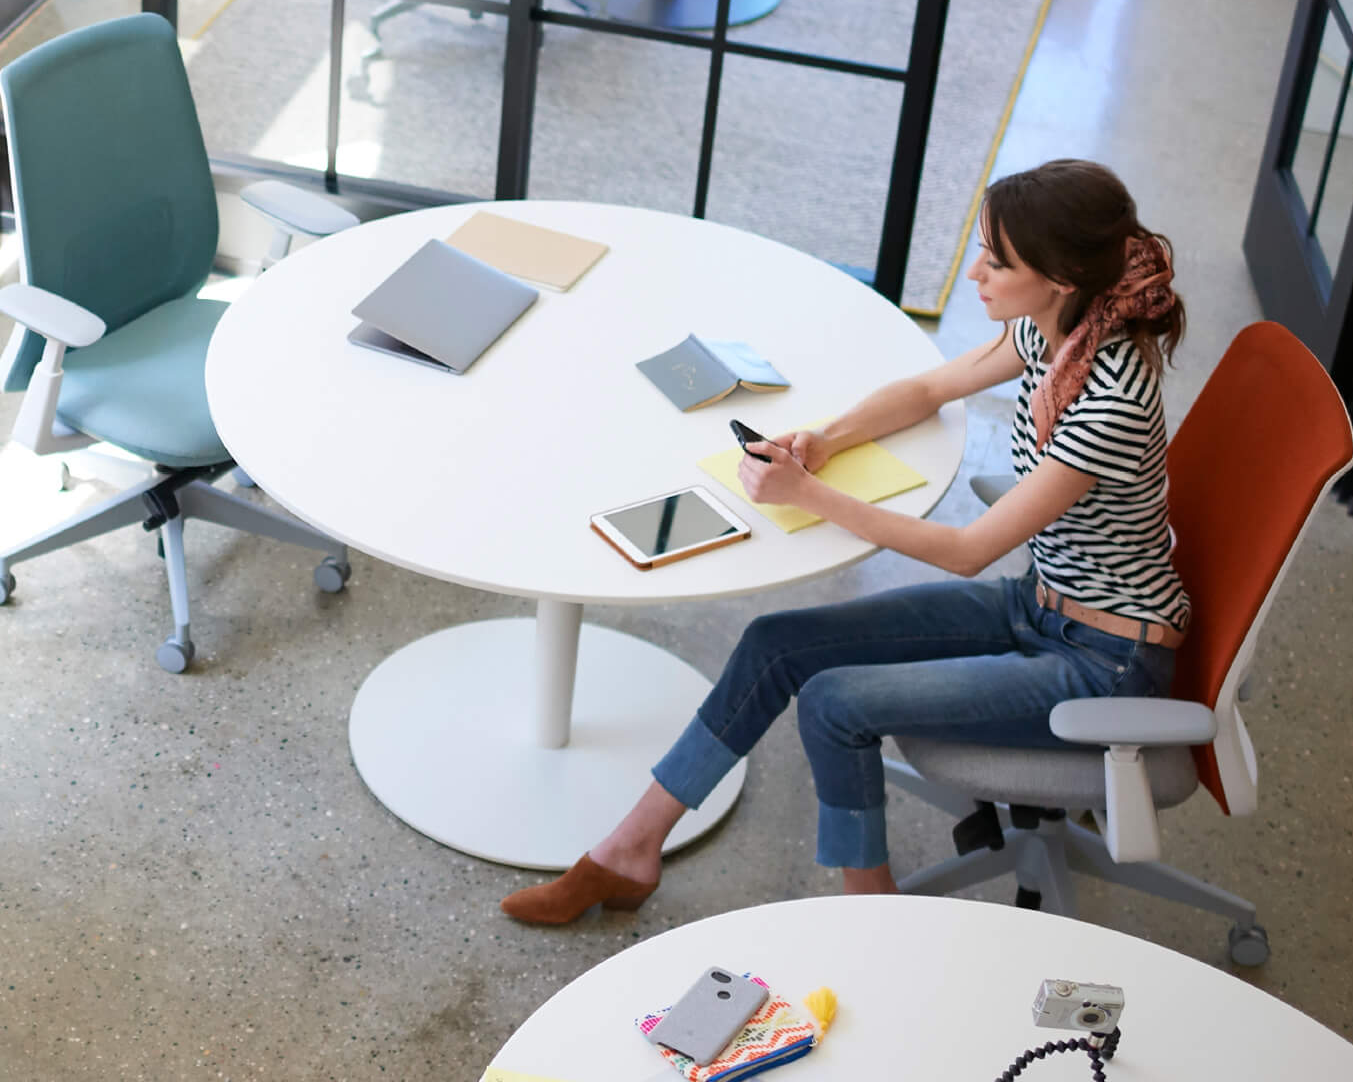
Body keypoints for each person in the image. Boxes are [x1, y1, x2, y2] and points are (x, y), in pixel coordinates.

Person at [501, 158, 1192, 924]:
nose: (974, 275)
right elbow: (930, 389)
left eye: (998, 262)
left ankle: (873, 922)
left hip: (1104, 660)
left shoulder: (1111, 403)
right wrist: (826, 440)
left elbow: (968, 551)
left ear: (1063, 276)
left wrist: (809, 496)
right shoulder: (1059, 333)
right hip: (1041, 607)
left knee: (834, 703)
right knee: (775, 643)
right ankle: (628, 851)